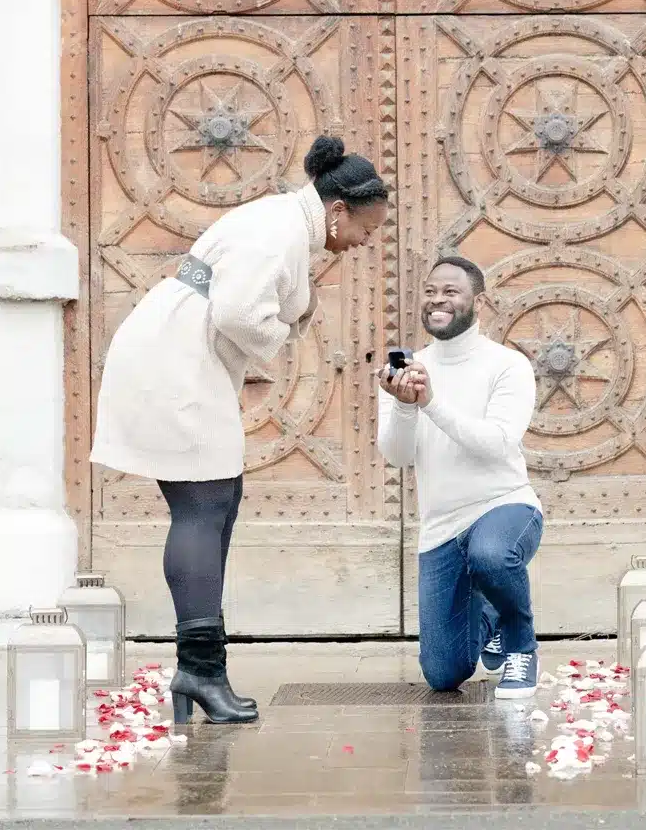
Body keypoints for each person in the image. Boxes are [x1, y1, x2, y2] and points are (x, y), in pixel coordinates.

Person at [91, 136, 388, 724]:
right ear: (338, 211)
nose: (364, 243)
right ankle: (199, 669)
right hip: (175, 362)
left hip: (183, 357)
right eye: (367, 229)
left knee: (218, 501)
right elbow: (236, 313)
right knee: (202, 506)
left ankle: (201, 668)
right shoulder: (278, 231)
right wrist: (279, 338)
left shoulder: (285, 223)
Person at [377, 256, 542, 700]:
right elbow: (396, 455)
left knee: (491, 555)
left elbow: (498, 442)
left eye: (450, 291)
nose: (438, 300)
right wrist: (405, 404)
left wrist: (431, 403)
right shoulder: (408, 370)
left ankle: (520, 645)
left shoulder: (507, 365)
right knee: (443, 674)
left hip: (503, 505)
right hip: (441, 528)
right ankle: (487, 613)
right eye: (431, 291)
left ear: (478, 301)